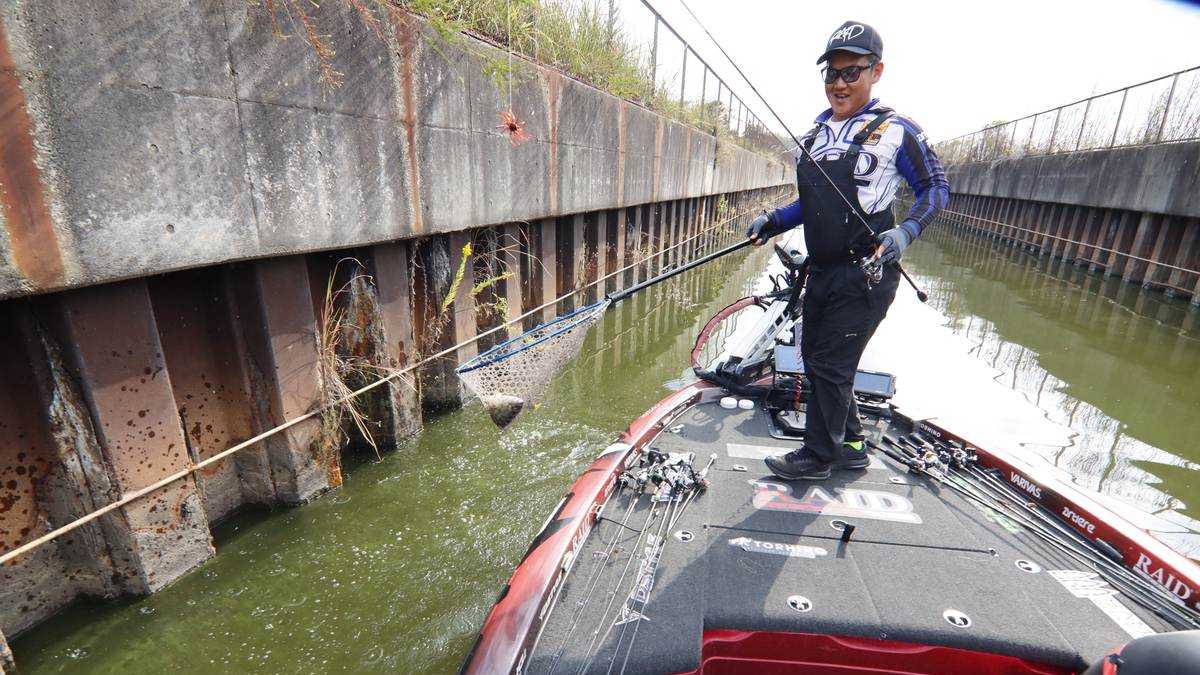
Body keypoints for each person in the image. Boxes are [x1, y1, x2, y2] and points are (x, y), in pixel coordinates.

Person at [746, 20, 950, 480]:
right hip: (820, 270)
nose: (838, 84)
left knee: (832, 363)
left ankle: (818, 456)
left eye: (851, 73)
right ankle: (853, 444)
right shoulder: (815, 134)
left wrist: (906, 232)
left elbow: (936, 188)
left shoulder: (899, 131)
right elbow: (812, 202)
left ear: (876, 71)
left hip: (866, 274)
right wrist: (772, 221)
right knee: (818, 357)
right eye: (831, 74)